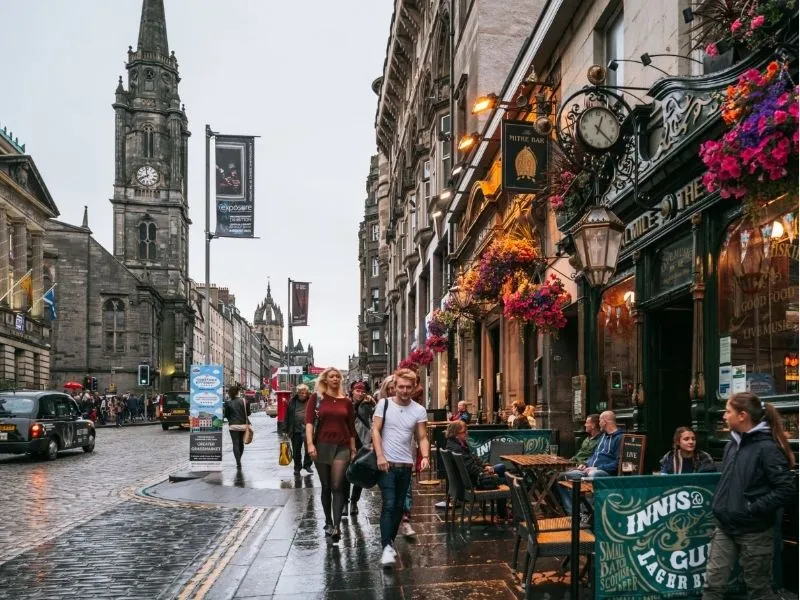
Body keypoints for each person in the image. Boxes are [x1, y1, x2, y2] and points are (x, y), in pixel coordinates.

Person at [702, 392, 796, 600]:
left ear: (742, 415)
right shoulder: (732, 444)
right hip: (725, 526)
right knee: (712, 586)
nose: (724, 416)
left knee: (758, 591)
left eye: (728, 411)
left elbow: (787, 489)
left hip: (754, 532)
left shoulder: (767, 448)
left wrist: (753, 507)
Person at [372, 368, 430, 568]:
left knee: (399, 506)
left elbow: (422, 436)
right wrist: (380, 455)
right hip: (386, 464)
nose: (404, 391)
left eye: (408, 387)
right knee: (389, 503)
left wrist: (425, 456)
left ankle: (389, 541)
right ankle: (386, 547)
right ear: (394, 386)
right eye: (401, 387)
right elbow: (375, 430)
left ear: (414, 388)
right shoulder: (384, 404)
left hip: (406, 464)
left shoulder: (419, 410)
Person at [305, 368, 356, 544]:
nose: (335, 379)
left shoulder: (347, 402)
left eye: (337, 376)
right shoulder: (316, 398)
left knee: (337, 485)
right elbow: (309, 422)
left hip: (342, 447)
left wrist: (353, 449)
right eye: (331, 376)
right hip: (321, 446)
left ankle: (336, 526)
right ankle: (328, 521)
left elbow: (351, 427)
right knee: (326, 486)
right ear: (325, 380)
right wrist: (310, 444)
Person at [558, 410, 622, 514]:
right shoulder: (603, 437)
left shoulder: (619, 438)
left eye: (600, 421)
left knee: (593, 474)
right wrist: (586, 464)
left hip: (605, 473)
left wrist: (597, 468)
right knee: (562, 477)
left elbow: (618, 464)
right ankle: (574, 513)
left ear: (605, 421)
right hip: (589, 470)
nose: (599, 423)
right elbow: (594, 455)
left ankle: (587, 513)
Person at [444, 419, 508, 521]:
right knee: (505, 480)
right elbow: (472, 469)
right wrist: (485, 471)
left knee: (501, 467)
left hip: (467, 480)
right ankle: (503, 514)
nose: (466, 433)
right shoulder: (458, 449)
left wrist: (485, 466)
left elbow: (473, 459)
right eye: (464, 432)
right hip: (472, 482)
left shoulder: (455, 444)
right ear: (456, 434)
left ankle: (502, 512)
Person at [342, 382, 375, 516]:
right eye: (357, 391)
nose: (360, 393)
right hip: (346, 441)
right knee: (345, 473)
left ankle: (354, 502)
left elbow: (374, 418)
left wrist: (372, 402)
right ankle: (344, 503)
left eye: (363, 391)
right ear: (352, 391)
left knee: (359, 472)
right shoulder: (345, 403)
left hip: (362, 441)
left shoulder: (367, 404)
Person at [285, 384, 313, 475]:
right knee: (296, 451)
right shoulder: (292, 402)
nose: (303, 394)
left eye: (305, 393)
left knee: (309, 449)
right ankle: (297, 467)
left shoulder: (311, 401)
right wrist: (285, 429)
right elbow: (287, 416)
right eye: (301, 393)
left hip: (307, 430)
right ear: (298, 393)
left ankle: (307, 465)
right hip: (295, 430)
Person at [223, 384, 250, 470]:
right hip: (243, 425)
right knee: (241, 443)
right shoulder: (244, 401)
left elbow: (226, 415)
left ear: (230, 393)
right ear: (238, 392)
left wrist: (231, 419)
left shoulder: (228, 403)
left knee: (235, 443)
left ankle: (238, 462)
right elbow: (248, 413)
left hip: (233, 425)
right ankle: (239, 459)